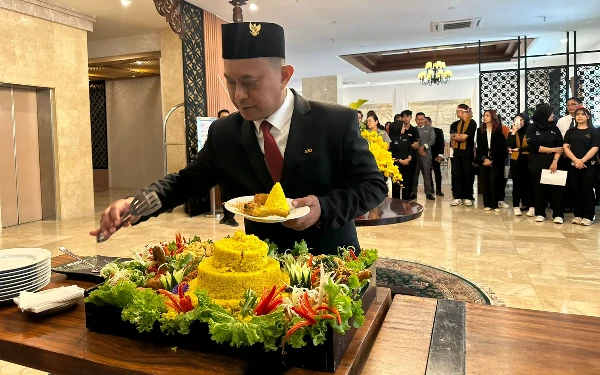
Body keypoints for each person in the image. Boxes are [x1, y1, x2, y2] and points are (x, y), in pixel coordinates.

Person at [90, 21, 387, 255]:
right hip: (261, 263)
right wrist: (135, 205)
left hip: (329, 263)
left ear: (284, 75)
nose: (238, 95)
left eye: (249, 82)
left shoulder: (333, 121)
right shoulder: (225, 132)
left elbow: (372, 186)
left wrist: (324, 207)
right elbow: (185, 182)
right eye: (230, 82)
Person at [526, 104, 565, 223]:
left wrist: (555, 161)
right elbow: (533, 147)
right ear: (543, 115)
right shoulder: (532, 128)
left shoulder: (554, 128)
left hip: (554, 161)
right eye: (550, 113)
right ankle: (540, 213)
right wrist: (552, 150)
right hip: (536, 161)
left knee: (556, 188)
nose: (553, 115)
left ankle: (558, 214)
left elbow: (560, 146)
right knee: (539, 187)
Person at [563, 105, 600, 226]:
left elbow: (595, 148)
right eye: (577, 114)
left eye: (582, 114)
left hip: (589, 165)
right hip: (574, 164)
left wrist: (582, 160)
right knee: (576, 189)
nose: (579, 116)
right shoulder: (570, 131)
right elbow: (566, 147)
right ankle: (578, 214)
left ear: (588, 116)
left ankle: (589, 215)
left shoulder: (593, 131)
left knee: (587, 189)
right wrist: (576, 160)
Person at [476, 110, 507, 212]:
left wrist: (492, 159)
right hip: (484, 159)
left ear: (493, 118)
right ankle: (487, 204)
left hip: (496, 159)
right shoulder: (480, 130)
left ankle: (495, 204)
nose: (485, 117)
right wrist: (485, 158)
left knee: (494, 181)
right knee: (485, 181)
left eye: (487, 116)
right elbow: (479, 147)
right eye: (484, 116)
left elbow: (500, 147)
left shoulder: (499, 130)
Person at [557, 97, 583, 214]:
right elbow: (558, 138)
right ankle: (566, 204)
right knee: (565, 180)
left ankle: (578, 205)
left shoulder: (585, 120)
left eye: (573, 104)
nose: (570, 107)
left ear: (580, 105)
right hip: (564, 155)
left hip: (580, 155)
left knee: (577, 181)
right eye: (568, 105)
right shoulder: (562, 121)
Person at [449, 104, 477, 206]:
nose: (457, 113)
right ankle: (457, 197)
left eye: (458, 111)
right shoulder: (454, 124)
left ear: (462, 112)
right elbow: (452, 137)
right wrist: (458, 136)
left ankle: (468, 196)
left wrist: (458, 136)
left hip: (467, 154)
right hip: (457, 153)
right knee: (457, 175)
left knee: (468, 175)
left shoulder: (472, 123)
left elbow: (464, 137)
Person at [508, 113, 535, 217]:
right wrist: (514, 131)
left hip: (529, 159)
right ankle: (516, 206)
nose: (519, 122)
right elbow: (510, 144)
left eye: (521, 120)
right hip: (516, 160)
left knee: (529, 183)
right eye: (517, 120)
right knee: (517, 184)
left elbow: (532, 146)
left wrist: (520, 149)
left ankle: (532, 206)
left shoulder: (531, 130)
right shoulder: (514, 132)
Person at [216, 109, 239, 227]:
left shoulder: (235, 132)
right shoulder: (216, 133)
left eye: (227, 117)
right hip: (221, 170)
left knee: (232, 194)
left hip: (234, 170)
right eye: (222, 117)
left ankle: (230, 217)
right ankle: (226, 216)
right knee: (224, 194)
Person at [412, 112, 436, 201]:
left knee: (427, 175)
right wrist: (419, 149)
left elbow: (432, 140)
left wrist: (423, 147)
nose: (420, 121)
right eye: (418, 119)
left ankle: (428, 193)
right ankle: (413, 192)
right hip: (415, 156)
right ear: (415, 120)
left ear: (424, 120)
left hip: (426, 155)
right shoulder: (413, 129)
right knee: (415, 175)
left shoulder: (430, 129)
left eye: (422, 119)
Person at [388, 119, 414, 200]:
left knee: (406, 184)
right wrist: (400, 160)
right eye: (402, 127)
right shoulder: (391, 139)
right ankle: (396, 205)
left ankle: (406, 202)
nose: (404, 129)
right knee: (396, 185)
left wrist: (409, 157)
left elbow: (410, 148)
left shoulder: (405, 137)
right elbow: (391, 151)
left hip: (407, 164)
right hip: (396, 165)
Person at [427, 116, 445, 197]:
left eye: (426, 122)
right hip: (426, 155)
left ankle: (439, 189)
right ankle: (431, 189)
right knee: (428, 173)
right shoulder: (421, 131)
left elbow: (441, 144)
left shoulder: (438, 131)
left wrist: (440, 155)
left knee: (437, 172)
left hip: (435, 155)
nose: (424, 124)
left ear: (430, 122)